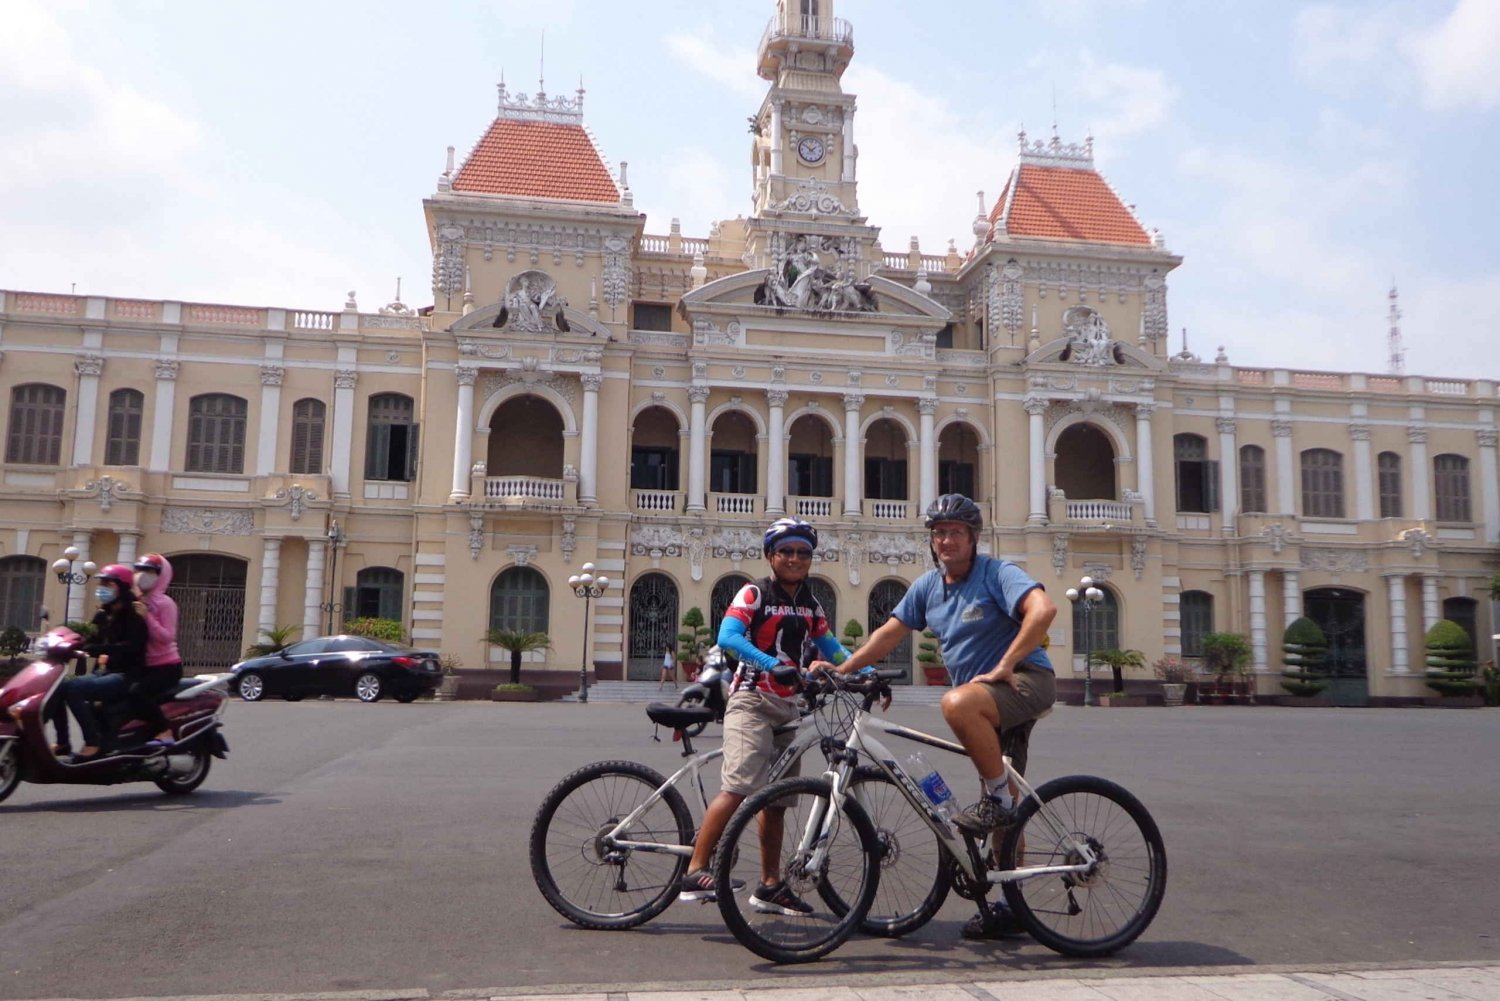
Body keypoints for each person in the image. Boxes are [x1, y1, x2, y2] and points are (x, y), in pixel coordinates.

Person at [813, 493, 1057, 940]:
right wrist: (843, 668)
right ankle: (1009, 903)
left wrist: (1007, 663)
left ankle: (999, 800)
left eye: (956, 533)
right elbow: (890, 632)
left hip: (1024, 681)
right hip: (988, 702)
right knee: (1001, 793)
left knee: (957, 706)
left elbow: (1044, 610)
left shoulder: (996, 573)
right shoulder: (929, 586)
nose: (946, 540)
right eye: (939, 533)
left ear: (974, 538)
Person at [677, 517, 851, 914]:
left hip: (789, 709)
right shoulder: (754, 593)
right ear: (771, 556)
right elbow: (729, 639)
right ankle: (696, 868)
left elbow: (832, 648)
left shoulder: (811, 603)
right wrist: (771, 664)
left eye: (803, 553)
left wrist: (868, 672)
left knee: (777, 802)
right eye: (786, 551)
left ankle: (770, 885)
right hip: (752, 700)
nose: (794, 559)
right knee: (739, 788)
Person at [61, 564, 150, 762]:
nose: (102, 587)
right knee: (60, 686)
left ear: (122, 587)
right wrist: (68, 648)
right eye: (101, 583)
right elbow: (88, 639)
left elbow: (133, 646)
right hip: (105, 672)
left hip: (126, 675)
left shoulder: (134, 614)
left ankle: (93, 743)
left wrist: (101, 650)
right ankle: (62, 742)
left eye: (107, 583)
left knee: (74, 689)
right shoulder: (103, 614)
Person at [129, 553, 184, 746]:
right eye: (140, 570)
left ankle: (164, 730)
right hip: (143, 665)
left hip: (166, 666)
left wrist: (147, 617)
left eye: (150, 571)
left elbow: (167, 637)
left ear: (161, 575)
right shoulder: (136, 601)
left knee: (137, 693)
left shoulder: (165, 604)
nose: (143, 575)